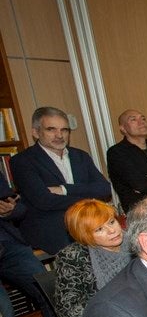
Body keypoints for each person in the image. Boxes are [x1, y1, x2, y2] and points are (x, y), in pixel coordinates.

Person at [9, 106, 111, 254]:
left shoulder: (80, 156)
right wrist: (88, 198)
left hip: (87, 220)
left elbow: (104, 188)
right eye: (51, 129)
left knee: (116, 237)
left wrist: (64, 189)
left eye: (64, 130)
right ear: (36, 132)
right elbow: (43, 200)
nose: (59, 135)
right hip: (50, 225)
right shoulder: (23, 161)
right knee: (81, 252)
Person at [53, 199, 131, 317]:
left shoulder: (136, 242)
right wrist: (118, 309)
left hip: (139, 312)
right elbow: (69, 307)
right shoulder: (72, 256)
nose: (112, 231)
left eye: (111, 222)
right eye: (99, 229)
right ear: (84, 234)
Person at [0, 171, 55, 317]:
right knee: (4, 312)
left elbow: (20, 209)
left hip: (8, 245)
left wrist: (8, 211)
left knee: (48, 289)